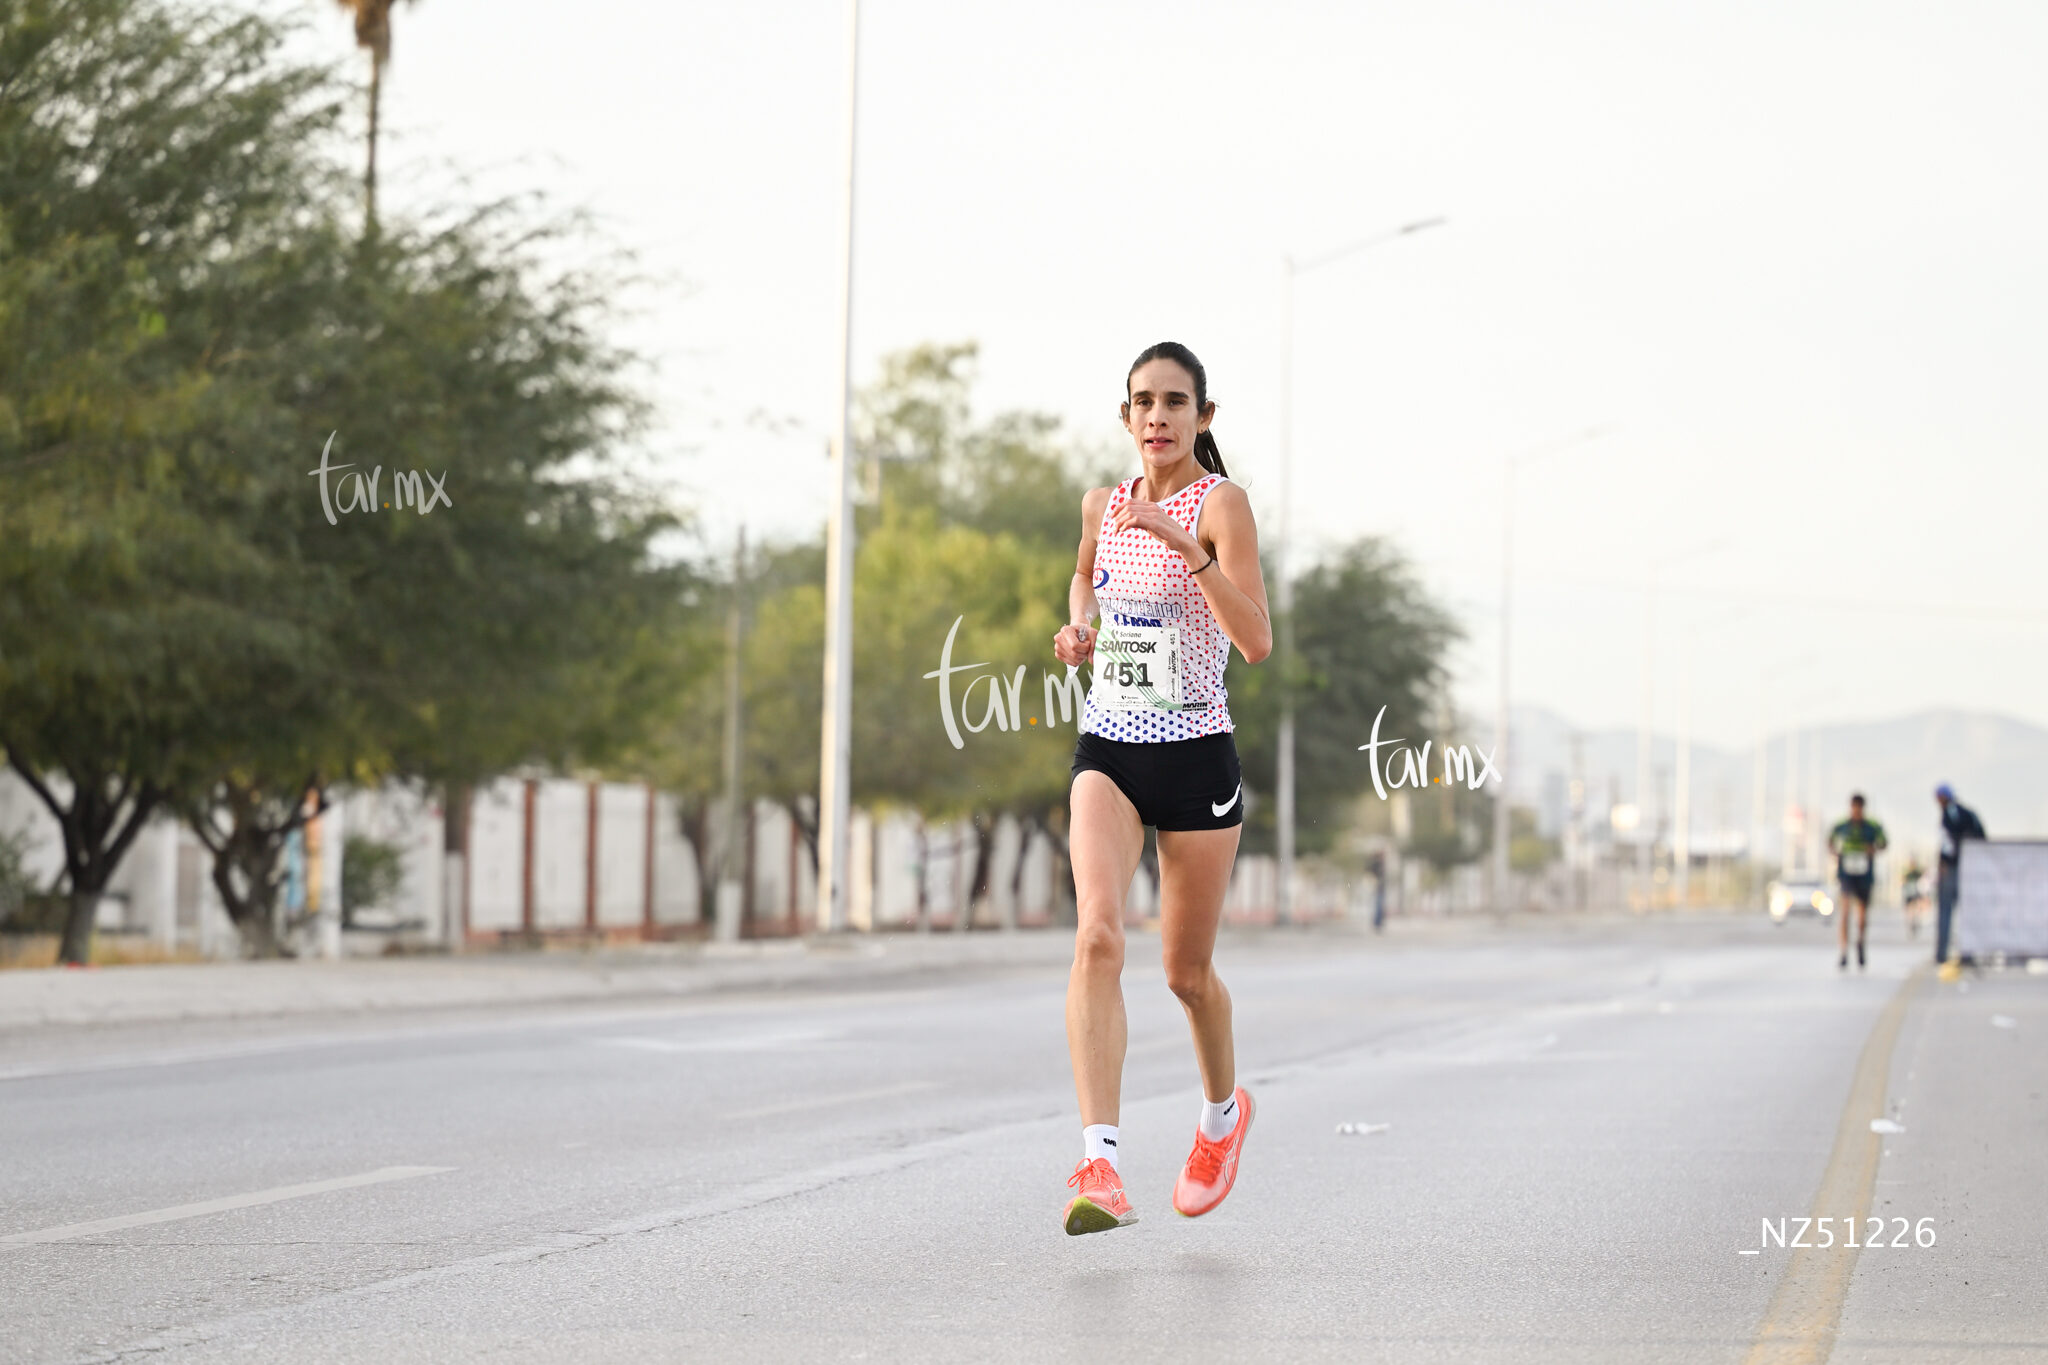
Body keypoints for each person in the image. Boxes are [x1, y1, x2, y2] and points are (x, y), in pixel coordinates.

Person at [1050, 341, 1271, 1236]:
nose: (1157, 416)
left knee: (1186, 974)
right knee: (1098, 934)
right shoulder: (1102, 504)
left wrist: (1189, 548)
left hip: (1197, 760)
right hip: (1110, 749)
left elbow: (1256, 641)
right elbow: (1084, 574)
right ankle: (1100, 1163)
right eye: (1143, 401)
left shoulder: (1221, 505)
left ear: (1202, 417)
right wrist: (1079, 626)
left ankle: (1221, 1118)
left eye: (1175, 402)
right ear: (1126, 415)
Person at [1826, 795, 1886, 970]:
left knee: (1862, 914)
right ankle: (1844, 950)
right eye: (1854, 808)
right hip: (1846, 873)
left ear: (1863, 808)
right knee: (1845, 911)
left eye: (1859, 808)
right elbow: (1830, 841)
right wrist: (1835, 852)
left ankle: (1860, 942)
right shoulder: (1841, 825)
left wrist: (1873, 849)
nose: (1856, 812)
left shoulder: (1872, 826)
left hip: (1864, 874)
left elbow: (1883, 843)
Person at [1934, 783, 1986, 969]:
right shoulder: (1964, 813)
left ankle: (1945, 954)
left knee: (1948, 911)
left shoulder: (1952, 813)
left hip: (1956, 868)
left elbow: (1948, 843)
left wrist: (1944, 862)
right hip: (1964, 867)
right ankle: (1964, 951)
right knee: (1964, 912)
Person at [1901, 857, 1928, 939]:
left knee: (1913, 908)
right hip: (1910, 893)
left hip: (1913, 893)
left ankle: (1913, 921)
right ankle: (1911, 921)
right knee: (1910, 909)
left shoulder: (1913, 872)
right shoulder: (1910, 872)